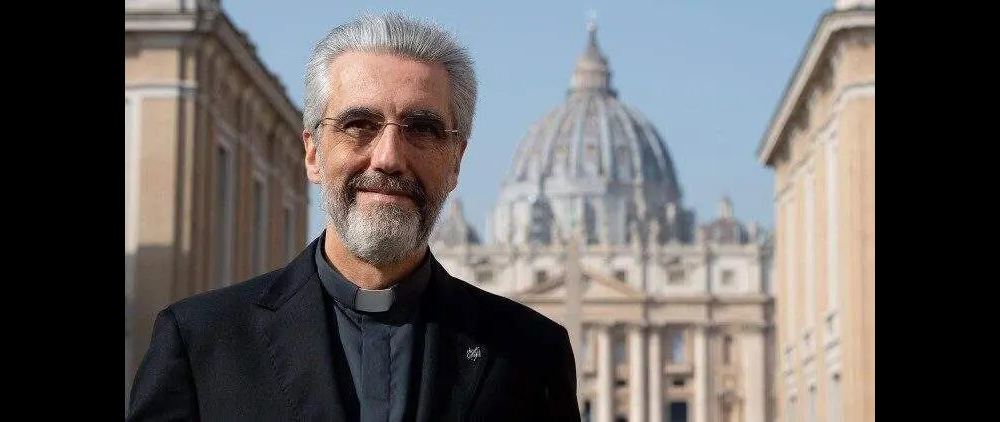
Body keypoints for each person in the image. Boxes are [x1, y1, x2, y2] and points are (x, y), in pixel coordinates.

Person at [127, 13, 580, 422]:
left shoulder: (532, 354)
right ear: (312, 153)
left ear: (456, 161)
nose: (388, 158)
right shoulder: (200, 342)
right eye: (359, 124)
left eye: (422, 129)